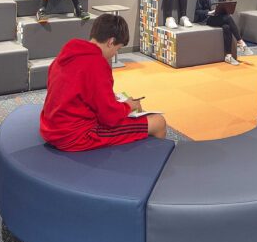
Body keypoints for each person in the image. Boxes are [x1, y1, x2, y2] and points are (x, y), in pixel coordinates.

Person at [40, 14, 167, 151]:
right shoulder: (97, 64)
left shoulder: (67, 53)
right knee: (158, 122)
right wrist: (128, 106)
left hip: (49, 127)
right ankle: (149, 168)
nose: (114, 54)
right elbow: (109, 117)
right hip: (75, 135)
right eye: (117, 49)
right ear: (110, 42)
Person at [194, 0, 251, 66]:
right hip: (208, 18)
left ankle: (228, 56)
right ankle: (240, 42)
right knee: (228, 18)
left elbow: (224, 6)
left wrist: (226, 9)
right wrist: (209, 12)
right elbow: (198, 11)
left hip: (219, 17)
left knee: (227, 27)